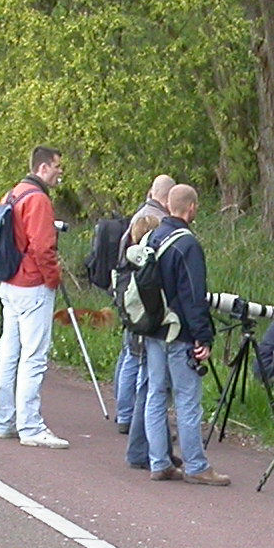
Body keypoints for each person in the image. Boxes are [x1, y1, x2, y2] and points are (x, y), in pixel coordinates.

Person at [142, 183, 228, 486]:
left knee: (155, 395)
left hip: (152, 329)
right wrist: (203, 338)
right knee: (187, 399)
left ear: (167, 205)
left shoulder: (153, 235)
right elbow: (194, 296)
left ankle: (160, 462)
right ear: (191, 208)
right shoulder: (188, 245)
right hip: (179, 334)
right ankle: (195, 464)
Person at [0, 146, 69, 449]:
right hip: (31, 283)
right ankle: (31, 426)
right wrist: (53, 279)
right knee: (34, 356)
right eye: (57, 166)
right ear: (44, 167)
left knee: (9, 353)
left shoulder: (13, 193)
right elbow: (43, 247)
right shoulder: (38, 199)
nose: (60, 171)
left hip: (8, 280)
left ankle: (4, 420)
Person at [112, 175, 174, 441]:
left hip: (126, 294)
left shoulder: (139, 214)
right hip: (142, 301)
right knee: (138, 359)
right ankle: (132, 417)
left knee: (129, 355)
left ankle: (125, 413)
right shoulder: (154, 221)